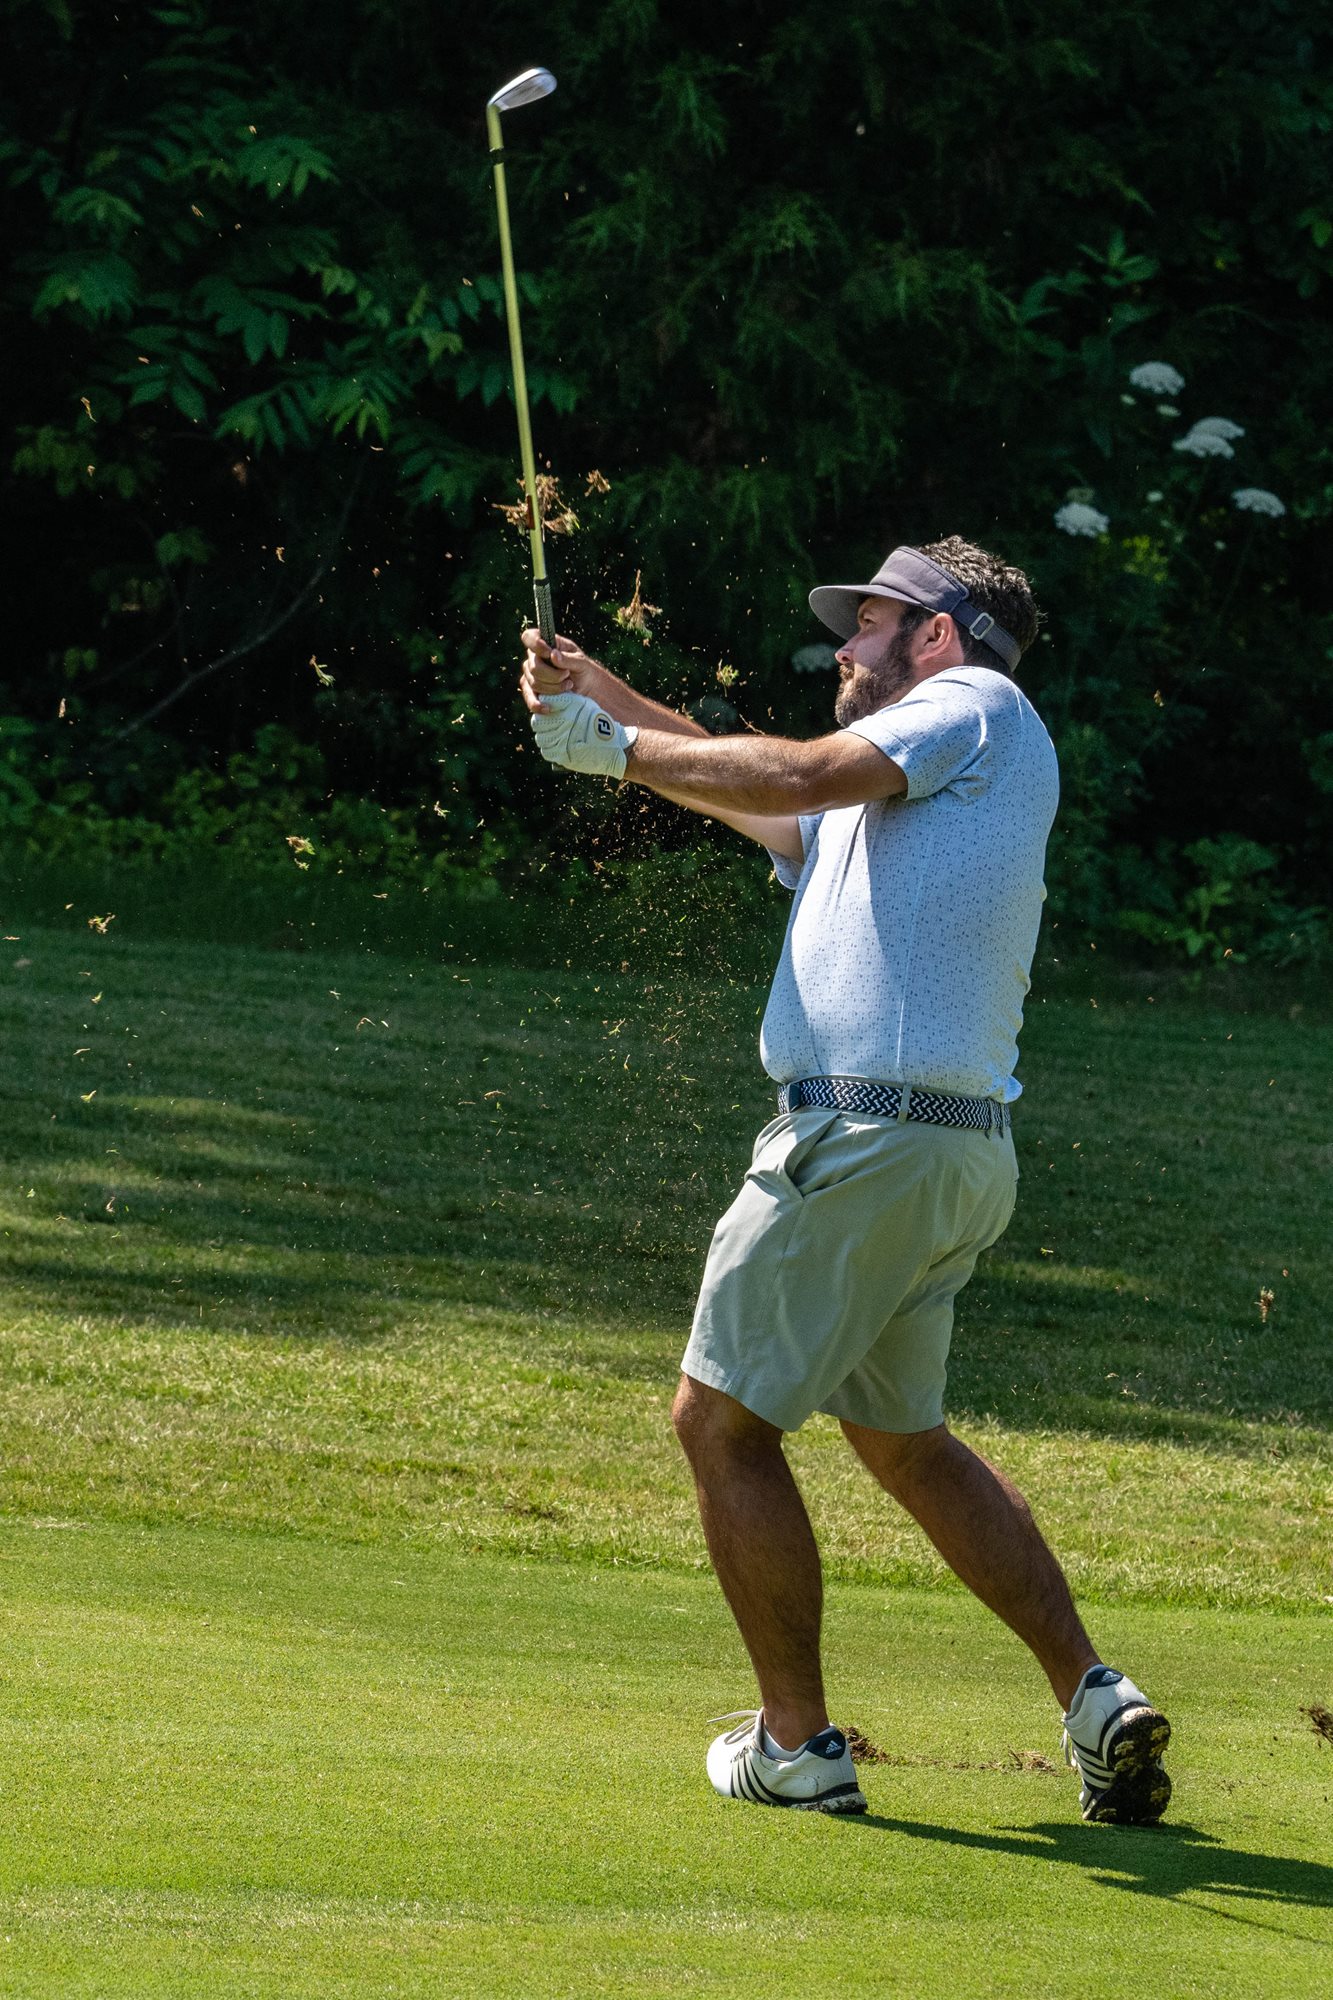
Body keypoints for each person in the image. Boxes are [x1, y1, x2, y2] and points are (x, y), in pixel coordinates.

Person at [518, 535, 1171, 1825]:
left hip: (863, 1145)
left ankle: (799, 1746)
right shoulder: (909, 786)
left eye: (870, 623)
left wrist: (617, 749)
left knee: (719, 1426)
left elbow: (804, 769)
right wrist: (606, 699)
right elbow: (771, 794)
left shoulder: (973, 705)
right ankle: (1095, 1699)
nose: (845, 644)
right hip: (946, 1153)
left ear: (939, 636)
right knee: (904, 1442)